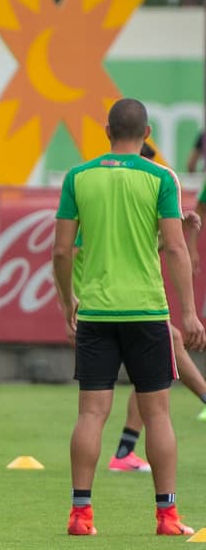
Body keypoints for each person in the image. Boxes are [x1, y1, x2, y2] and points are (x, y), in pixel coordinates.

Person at [52, 98, 205, 538]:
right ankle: (167, 517)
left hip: (96, 310)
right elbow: (175, 248)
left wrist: (68, 303)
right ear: (148, 132)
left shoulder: (78, 177)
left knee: (91, 413)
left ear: (106, 131)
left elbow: (61, 250)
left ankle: (81, 515)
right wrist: (190, 313)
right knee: (158, 414)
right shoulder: (160, 178)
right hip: (147, 311)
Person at [106, 141, 206, 472]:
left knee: (150, 372)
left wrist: (179, 232)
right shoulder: (126, 194)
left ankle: (123, 453)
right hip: (124, 301)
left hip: (109, 301)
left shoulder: (105, 190)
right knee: (169, 348)